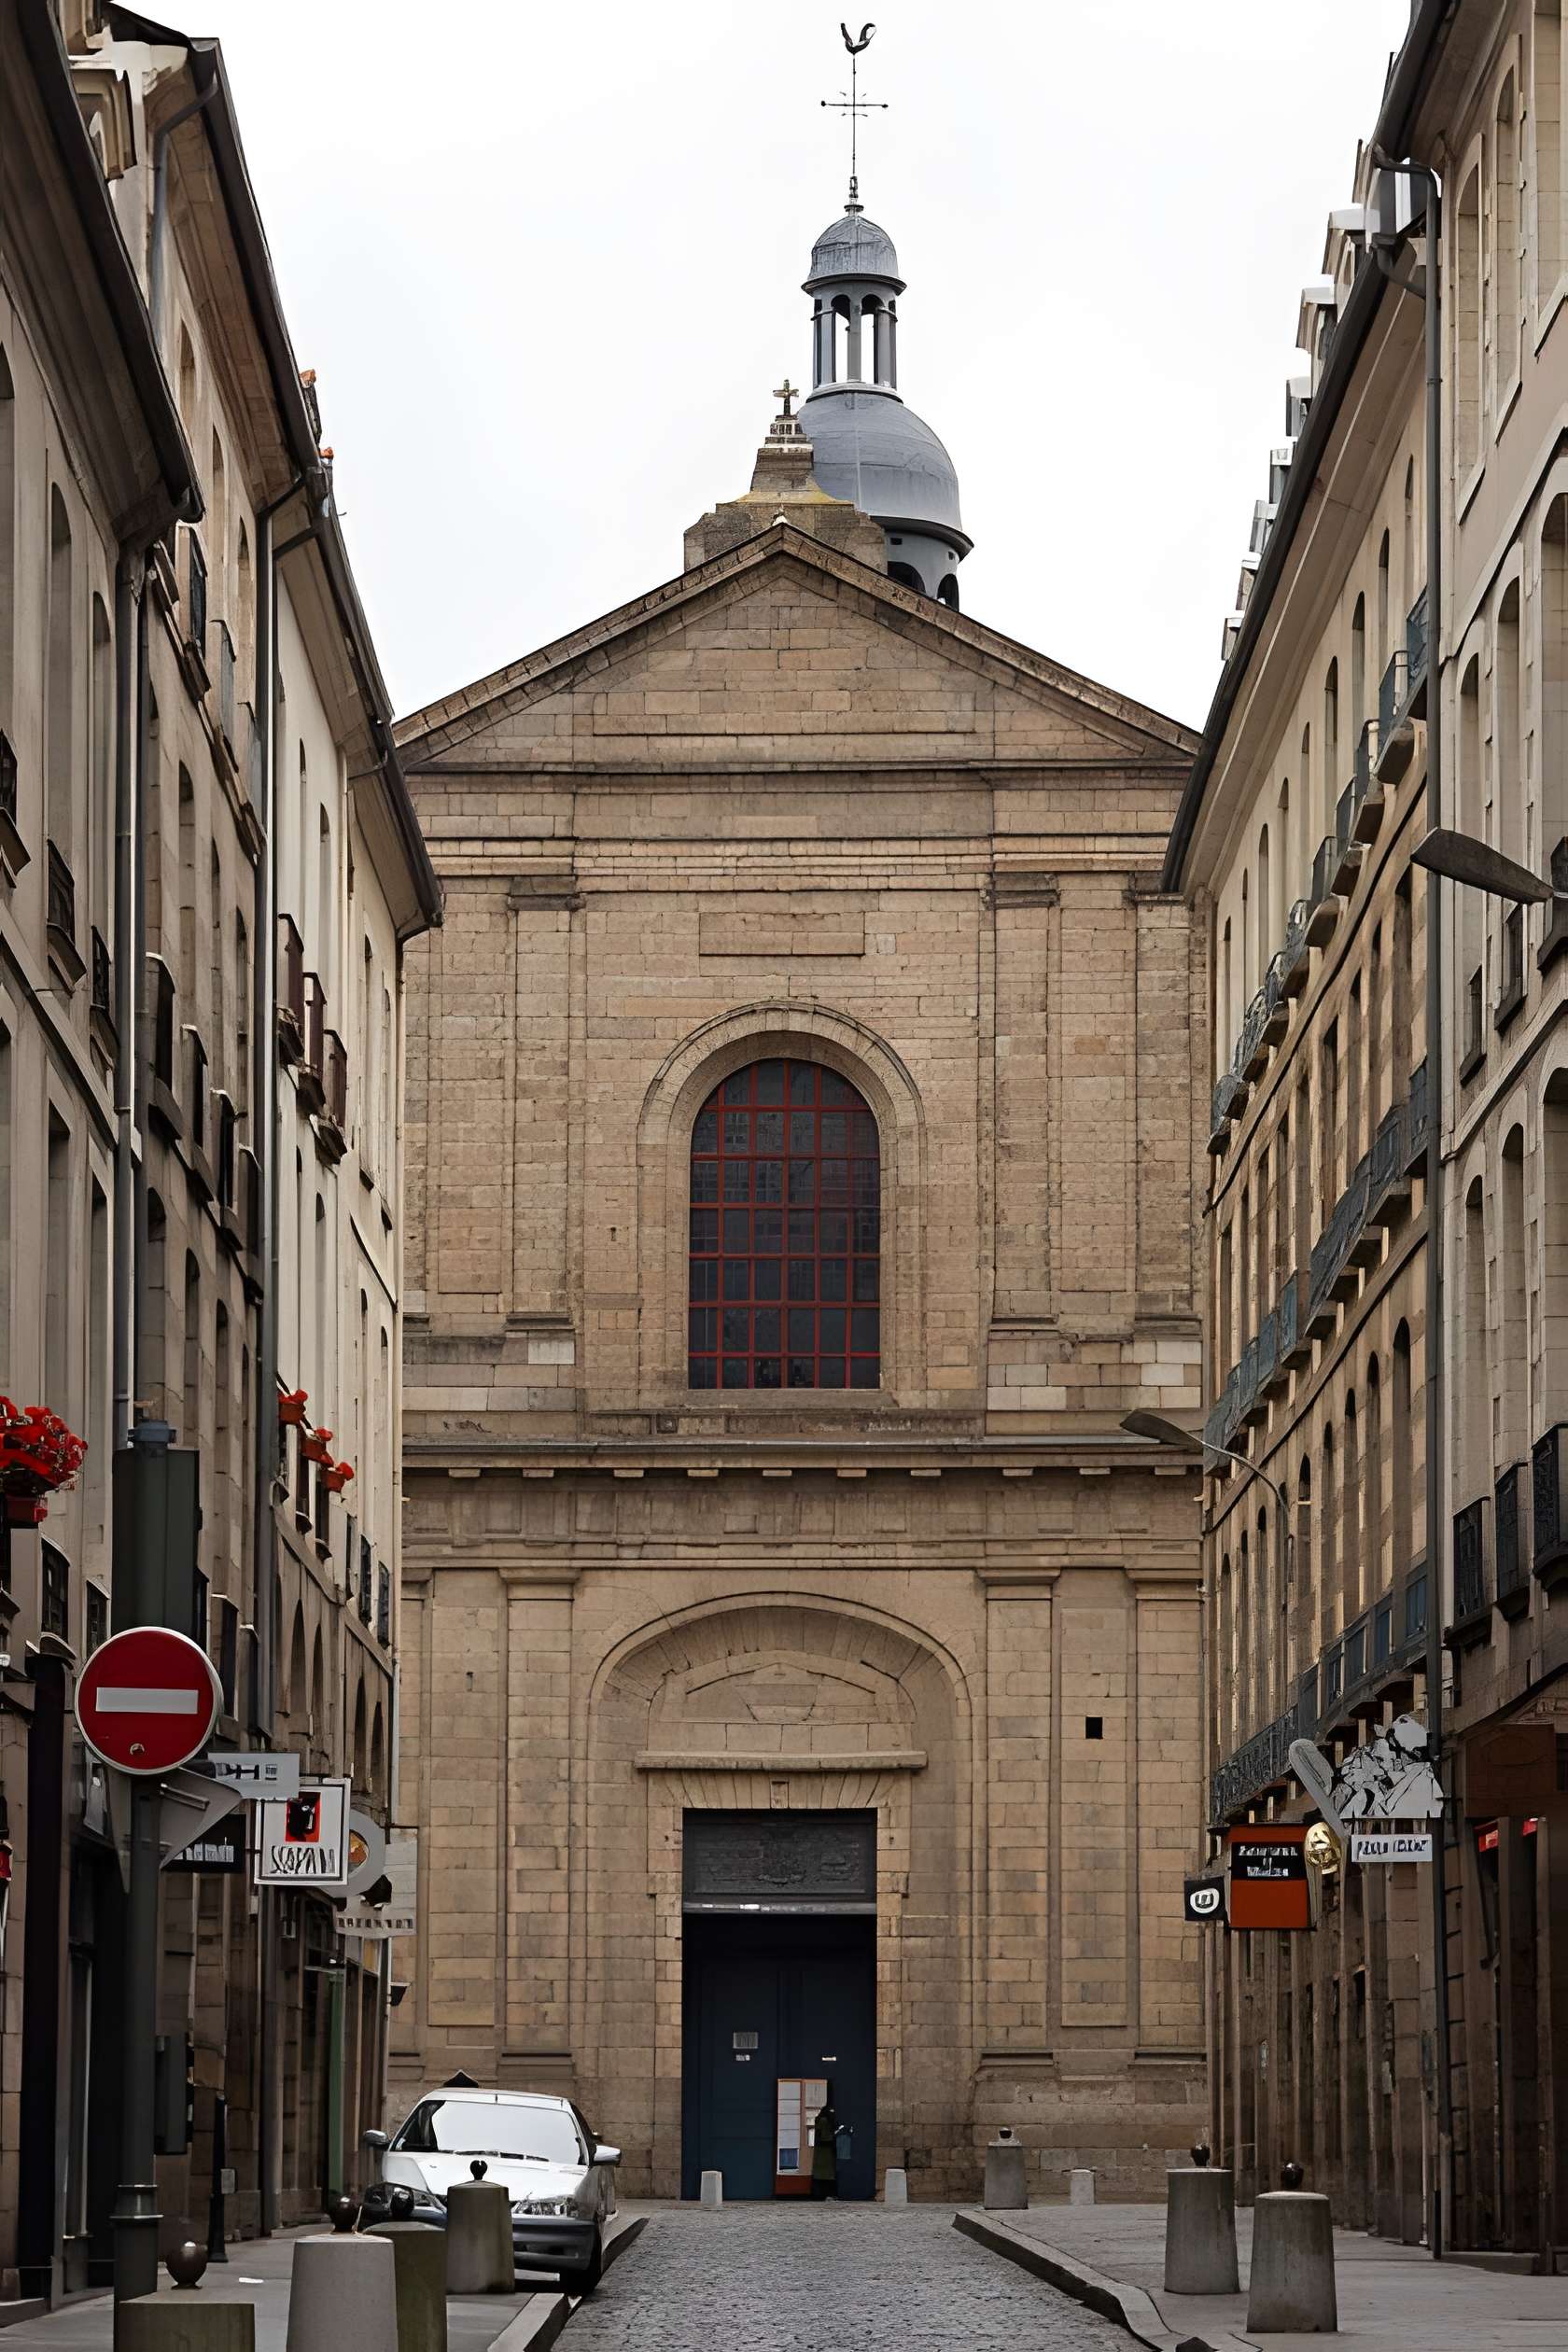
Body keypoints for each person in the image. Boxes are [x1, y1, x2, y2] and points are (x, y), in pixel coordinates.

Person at [810, 2089, 839, 2200]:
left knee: (822, 2174)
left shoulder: (821, 2120)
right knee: (827, 2175)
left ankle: (820, 2194)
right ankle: (825, 2194)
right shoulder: (824, 2121)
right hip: (825, 2151)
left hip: (822, 2151)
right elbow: (824, 2135)